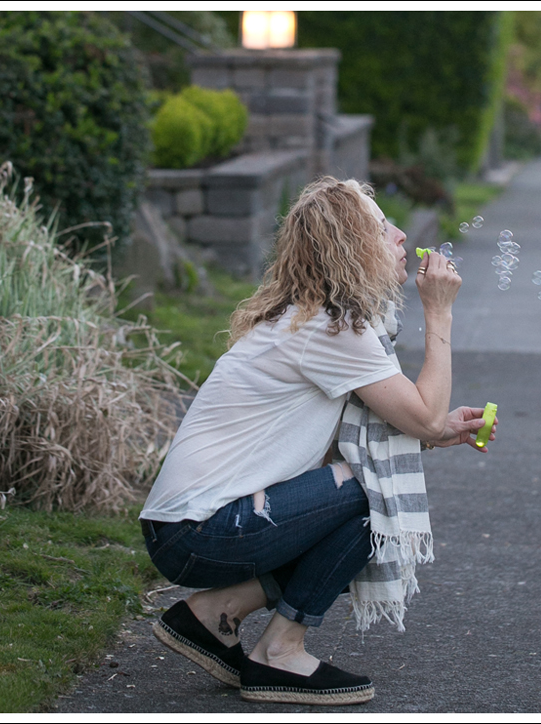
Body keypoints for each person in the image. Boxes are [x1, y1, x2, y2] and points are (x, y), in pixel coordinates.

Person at [139, 177, 497, 706]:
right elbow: (421, 416)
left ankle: (212, 616)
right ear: (350, 247)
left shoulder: (317, 321)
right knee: (371, 493)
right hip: (200, 531)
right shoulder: (332, 331)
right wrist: (439, 313)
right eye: (381, 227)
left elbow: (412, 424)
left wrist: (439, 432)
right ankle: (279, 654)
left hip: (187, 528)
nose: (400, 235)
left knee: (358, 499)